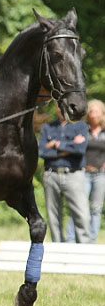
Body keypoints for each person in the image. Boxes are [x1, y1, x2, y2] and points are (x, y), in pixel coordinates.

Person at [38, 102, 91, 243]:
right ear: (56, 108)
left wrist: (56, 144)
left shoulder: (80, 126)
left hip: (73, 174)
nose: (62, 109)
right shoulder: (48, 127)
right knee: (53, 215)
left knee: (81, 213)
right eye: (59, 106)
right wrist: (69, 146)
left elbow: (80, 150)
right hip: (51, 174)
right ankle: (57, 246)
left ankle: (84, 247)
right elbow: (42, 151)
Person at [65, 99, 105, 242]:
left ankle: (91, 240)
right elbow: (72, 147)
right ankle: (70, 239)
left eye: (96, 111)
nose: (93, 114)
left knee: (95, 209)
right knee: (78, 206)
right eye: (91, 111)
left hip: (101, 175)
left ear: (102, 114)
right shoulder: (82, 130)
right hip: (83, 173)